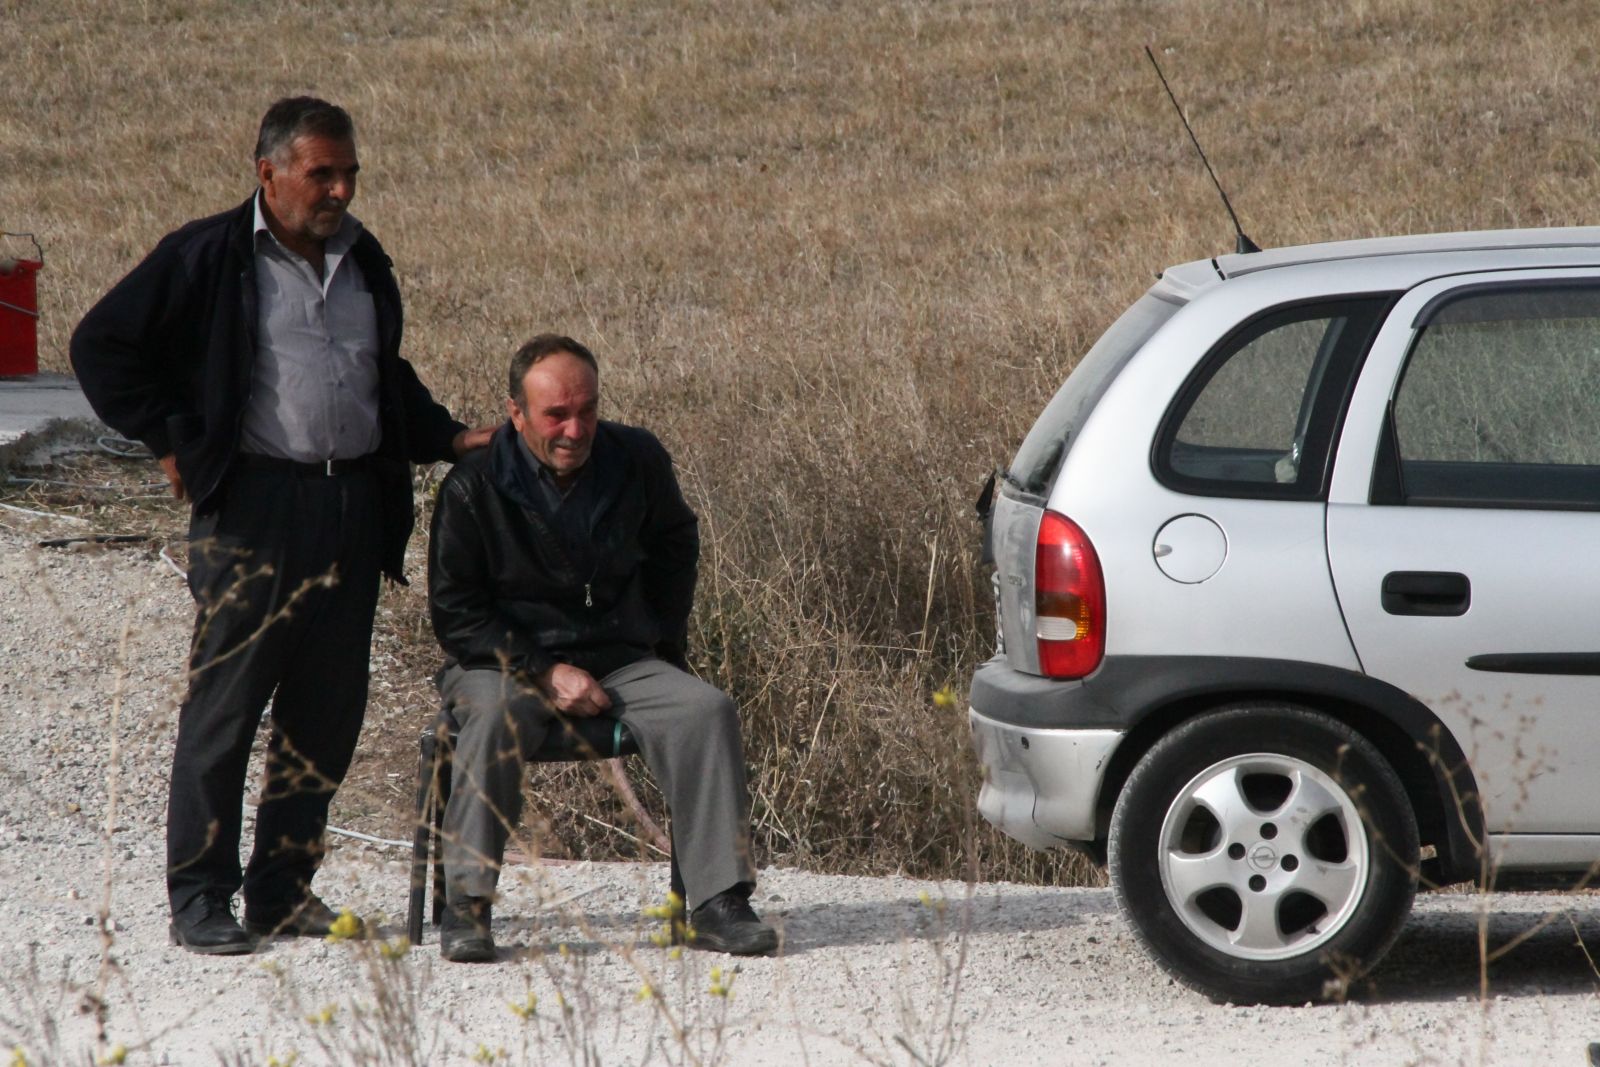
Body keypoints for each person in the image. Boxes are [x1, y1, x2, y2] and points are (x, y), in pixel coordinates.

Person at [70, 96, 492, 955]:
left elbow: (381, 375)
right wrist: (171, 438)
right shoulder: (210, 256)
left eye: (348, 174)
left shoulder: (363, 259)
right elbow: (99, 345)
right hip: (256, 512)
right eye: (321, 173)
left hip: (351, 512)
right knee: (225, 711)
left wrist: (448, 436)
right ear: (268, 173)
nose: (339, 190)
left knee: (326, 713)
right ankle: (199, 896)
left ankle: (281, 889)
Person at [427, 334, 778, 962]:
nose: (573, 429)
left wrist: (664, 644)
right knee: (496, 714)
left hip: (618, 655)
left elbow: (676, 543)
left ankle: (718, 901)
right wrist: (544, 671)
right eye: (555, 414)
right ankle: (468, 904)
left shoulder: (636, 457)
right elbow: (457, 616)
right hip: (500, 662)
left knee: (705, 711)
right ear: (515, 414)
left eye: (586, 410)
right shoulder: (470, 487)